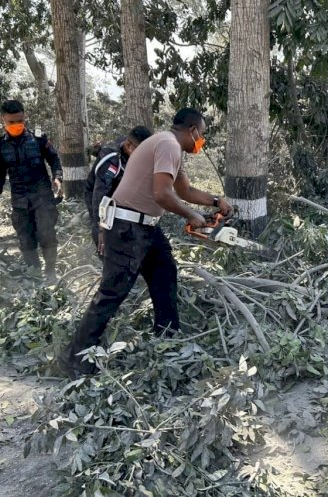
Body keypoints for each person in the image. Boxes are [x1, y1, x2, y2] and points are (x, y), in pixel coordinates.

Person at [62, 108, 232, 377]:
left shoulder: (170, 147)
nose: (202, 141)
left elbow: (184, 190)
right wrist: (192, 215)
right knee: (112, 293)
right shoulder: (167, 144)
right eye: (202, 135)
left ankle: (167, 336)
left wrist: (215, 201)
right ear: (192, 130)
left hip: (146, 226)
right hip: (128, 226)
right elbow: (162, 194)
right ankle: (75, 362)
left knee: (165, 272)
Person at [0, 100, 63, 282]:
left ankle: (50, 272)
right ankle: (34, 274)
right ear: (3, 120)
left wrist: (57, 178)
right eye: (11, 122)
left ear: (24, 117)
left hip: (43, 197)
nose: (16, 125)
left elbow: (54, 160)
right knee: (26, 238)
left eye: (20, 120)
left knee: (47, 234)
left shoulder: (39, 138)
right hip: (20, 200)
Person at [83, 125, 153, 255]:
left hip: (121, 196)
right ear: (128, 146)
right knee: (106, 243)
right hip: (100, 197)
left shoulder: (135, 148)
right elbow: (100, 196)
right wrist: (101, 229)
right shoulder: (111, 161)